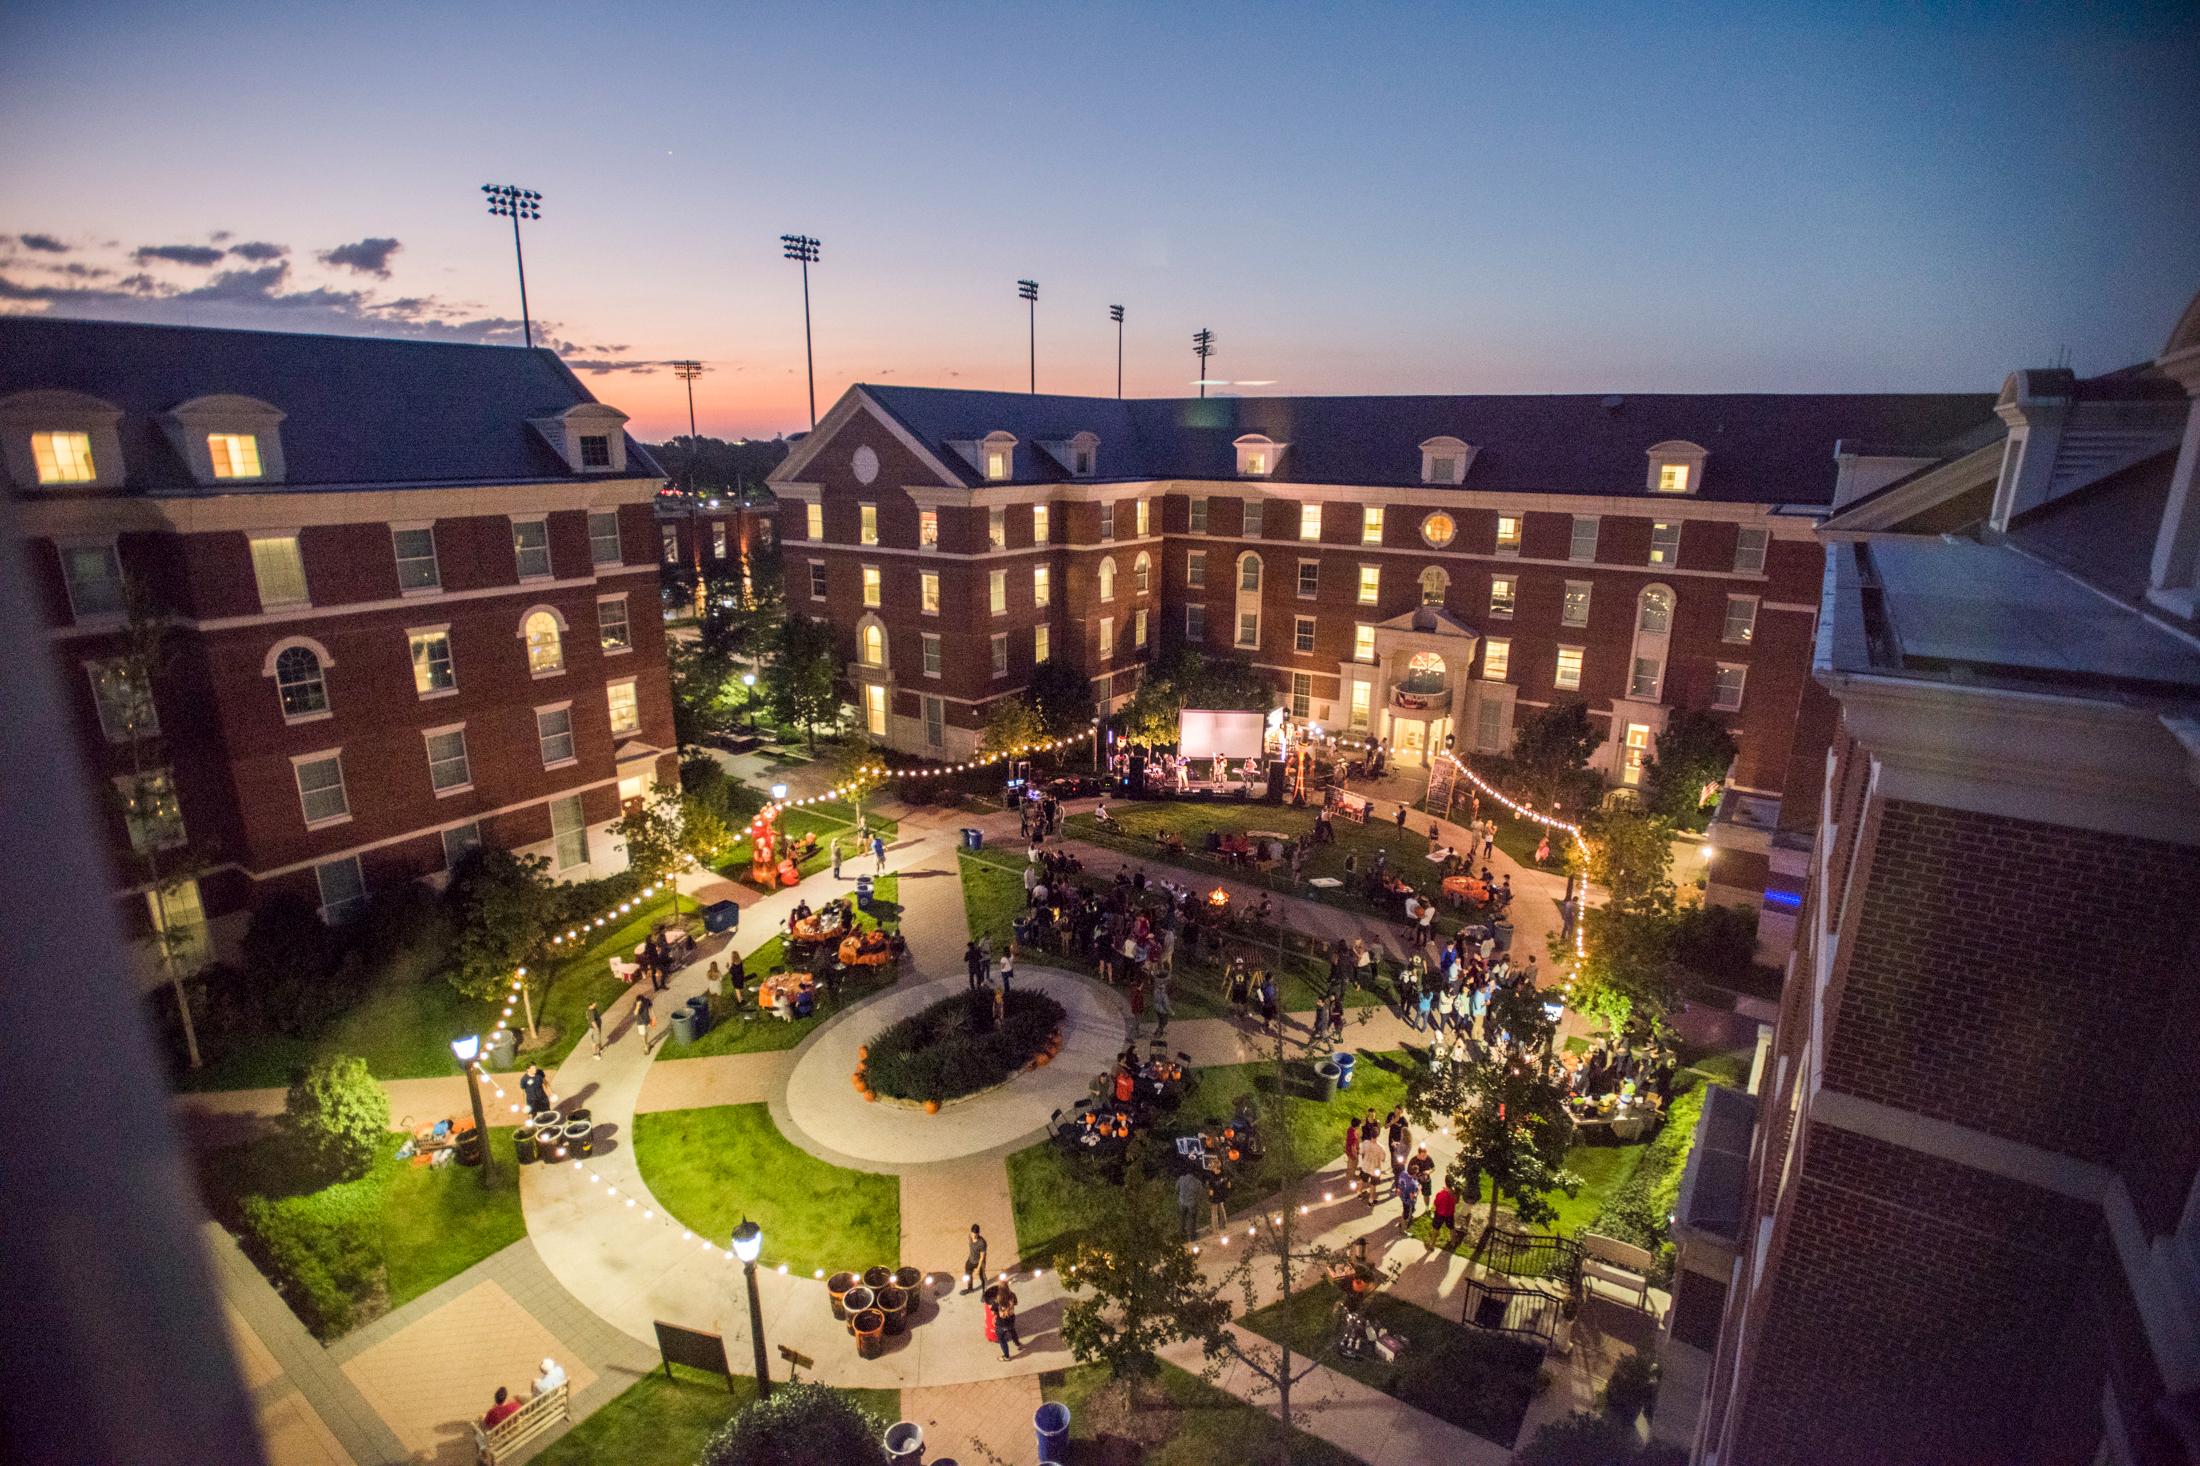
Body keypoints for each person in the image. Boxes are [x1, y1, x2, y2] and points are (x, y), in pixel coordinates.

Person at [991, 1281, 1023, 1358]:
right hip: (1011, 1319)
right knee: (1012, 1331)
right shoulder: (1012, 1295)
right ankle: (1018, 1344)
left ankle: (1006, 1356)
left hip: (1001, 1323)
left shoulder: (997, 1299)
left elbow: (993, 1312)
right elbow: (1015, 1303)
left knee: (1001, 1339)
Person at [1177, 1168, 1204, 1239]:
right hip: (1192, 1203)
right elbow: (1201, 1193)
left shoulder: (1181, 1179)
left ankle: (1182, 1237)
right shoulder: (1197, 1182)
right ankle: (1192, 1235)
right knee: (1192, 1219)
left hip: (1182, 1202)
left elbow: (1176, 1188)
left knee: (1182, 1219)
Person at [963, 1224, 989, 1293]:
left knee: (982, 1277)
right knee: (968, 1274)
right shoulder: (970, 1237)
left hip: (979, 1263)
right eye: (972, 1234)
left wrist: (978, 1268)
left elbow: (982, 1257)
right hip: (971, 1260)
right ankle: (970, 1289)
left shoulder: (982, 1243)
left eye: (975, 1235)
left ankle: (984, 1292)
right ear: (971, 1232)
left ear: (978, 1233)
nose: (974, 1236)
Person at [1396, 1165, 1421, 1230]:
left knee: (1406, 1209)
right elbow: (1412, 1197)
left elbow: (1399, 1183)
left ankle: (1404, 1220)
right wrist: (1418, 1190)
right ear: (1414, 1174)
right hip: (1408, 1201)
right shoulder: (1413, 1184)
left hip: (1402, 1196)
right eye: (1417, 1173)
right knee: (1407, 1213)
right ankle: (1403, 1228)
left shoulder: (1403, 1173)